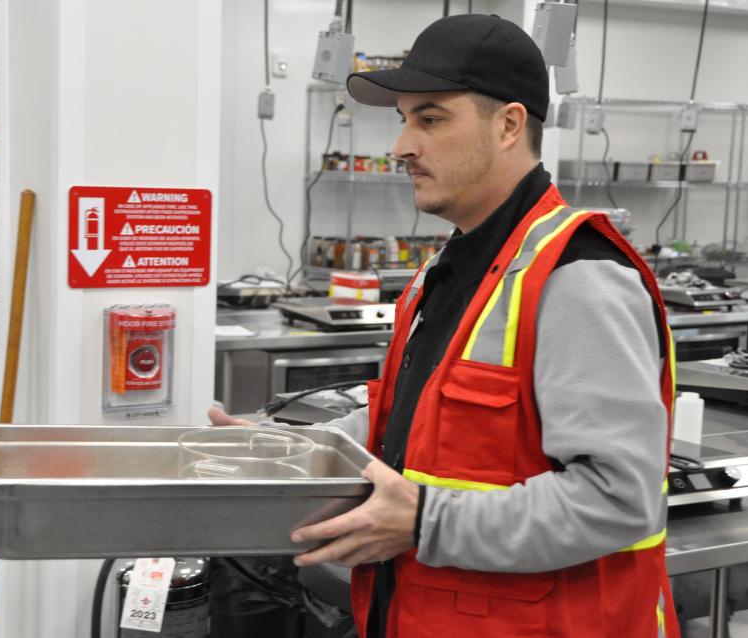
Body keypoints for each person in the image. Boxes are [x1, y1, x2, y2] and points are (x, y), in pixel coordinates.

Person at [211, 13, 680, 638]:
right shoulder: (448, 269)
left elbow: (619, 499)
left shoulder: (577, 277)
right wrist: (298, 451)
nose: (403, 144)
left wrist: (425, 521)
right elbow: (418, 423)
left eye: (430, 119)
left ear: (509, 124)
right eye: (403, 120)